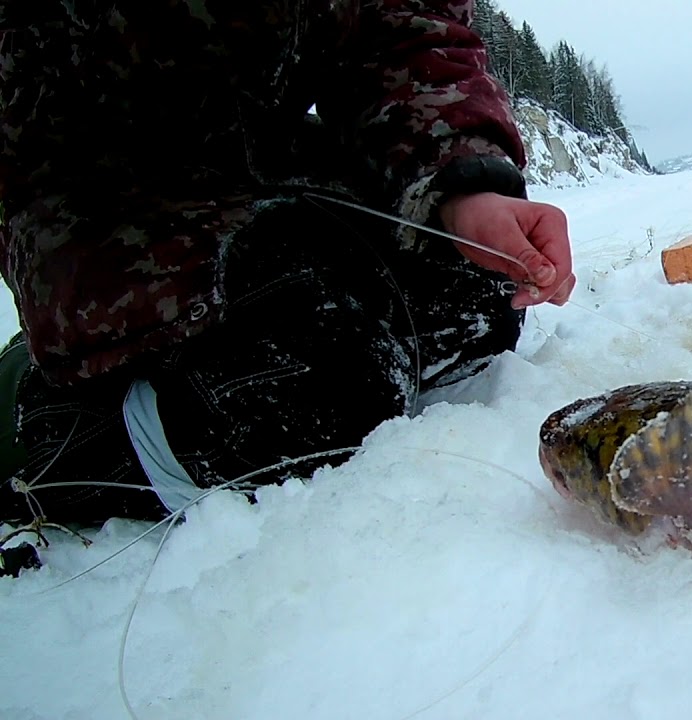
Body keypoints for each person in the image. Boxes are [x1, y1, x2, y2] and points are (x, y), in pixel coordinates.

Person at [0, 0, 575, 572]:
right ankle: (37, 412)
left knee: (479, 295)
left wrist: (462, 183)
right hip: (93, 198)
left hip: (281, 168)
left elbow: (407, 28)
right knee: (315, 390)